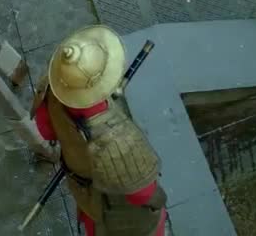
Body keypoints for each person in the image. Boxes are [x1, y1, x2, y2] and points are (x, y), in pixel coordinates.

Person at [31, 25, 167, 236]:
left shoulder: (50, 88)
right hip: (110, 211)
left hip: (83, 190)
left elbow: (47, 133)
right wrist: (158, 200)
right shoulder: (119, 141)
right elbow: (142, 194)